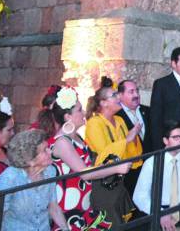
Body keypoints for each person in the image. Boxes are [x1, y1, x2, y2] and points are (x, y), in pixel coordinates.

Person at [39, 85, 130, 230]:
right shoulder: (62, 142)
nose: (83, 112)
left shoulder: (77, 137)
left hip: (84, 206)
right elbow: (85, 173)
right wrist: (115, 168)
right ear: (67, 117)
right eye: (79, 110)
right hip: (69, 210)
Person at [85, 85, 142, 225]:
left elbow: (131, 153)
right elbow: (104, 154)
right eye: (114, 95)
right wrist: (127, 140)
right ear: (104, 103)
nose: (118, 98)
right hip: (104, 181)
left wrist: (133, 138)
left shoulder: (120, 120)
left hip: (121, 179)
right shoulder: (94, 123)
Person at [0, 129, 68, 230]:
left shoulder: (50, 171)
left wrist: (66, 229)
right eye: (45, 150)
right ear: (30, 160)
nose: (51, 151)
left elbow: (53, 208)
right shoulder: (9, 179)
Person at [115, 79, 151, 192]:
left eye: (137, 91)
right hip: (129, 171)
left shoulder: (148, 111)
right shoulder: (116, 116)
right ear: (120, 95)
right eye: (131, 92)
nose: (136, 95)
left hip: (149, 166)